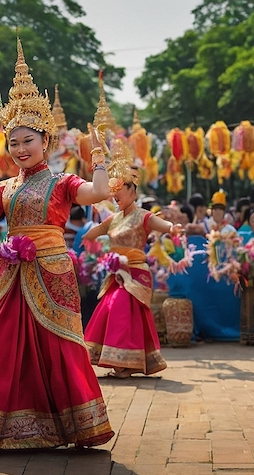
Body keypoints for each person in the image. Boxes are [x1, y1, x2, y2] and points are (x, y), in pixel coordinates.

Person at [0, 40, 115, 449]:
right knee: (5, 344)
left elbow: (99, 194)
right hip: (14, 274)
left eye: (27, 140)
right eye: (13, 142)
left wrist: (100, 159)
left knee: (58, 347)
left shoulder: (63, 182)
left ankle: (72, 424)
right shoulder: (3, 187)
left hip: (52, 272)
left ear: (45, 141)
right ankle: (10, 424)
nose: (20, 149)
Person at [83, 143, 177, 378]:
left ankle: (125, 363)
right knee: (111, 310)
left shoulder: (143, 216)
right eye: (112, 192)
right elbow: (92, 234)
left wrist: (174, 228)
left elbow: (164, 226)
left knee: (119, 308)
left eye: (118, 191)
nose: (114, 196)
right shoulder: (113, 220)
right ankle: (125, 364)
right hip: (117, 275)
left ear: (132, 190)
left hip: (136, 273)